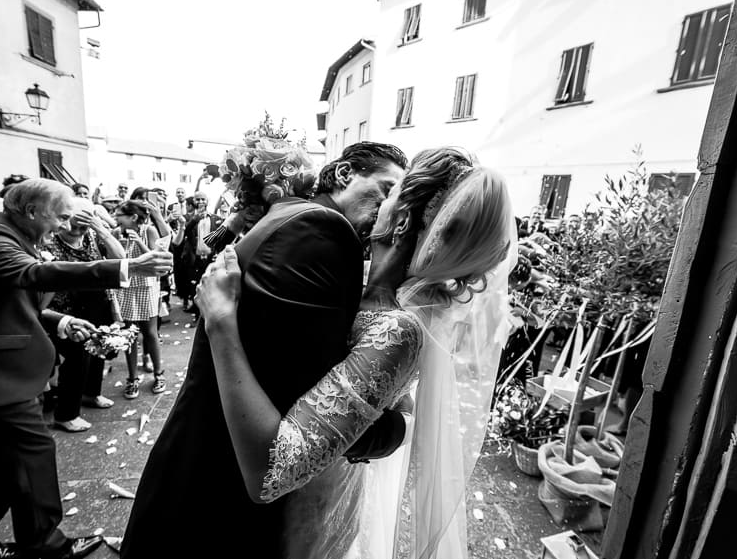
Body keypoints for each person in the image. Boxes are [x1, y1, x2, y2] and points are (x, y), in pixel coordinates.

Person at [196, 147, 516, 557]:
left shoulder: (398, 329)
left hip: (303, 507)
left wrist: (221, 325)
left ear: (400, 219)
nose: (381, 202)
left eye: (393, 190)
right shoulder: (356, 277)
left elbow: (270, 475)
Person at [121, 141, 409, 559]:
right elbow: (311, 407)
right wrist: (398, 431)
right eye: (385, 188)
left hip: (205, 449)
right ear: (345, 174)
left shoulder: (291, 217)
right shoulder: (324, 230)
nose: (388, 206)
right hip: (224, 480)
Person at [0, 179, 172, 559]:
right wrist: (128, 266)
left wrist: (58, 321)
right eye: (60, 217)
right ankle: (44, 546)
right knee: (31, 450)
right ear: (33, 211)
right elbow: (32, 275)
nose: (62, 226)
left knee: (9, 464)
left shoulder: (10, 237)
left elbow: (8, 297)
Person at [43, 198, 126, 432]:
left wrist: (100, 228)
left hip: (95, 302)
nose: (77, 230)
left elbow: (120, 259)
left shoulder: (91, 235)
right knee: (76, 359)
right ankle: (66, 414)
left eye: (83, 225)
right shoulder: (51, 241)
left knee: (98, 348)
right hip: (64, 308)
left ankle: (91, 393)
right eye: (73, 224)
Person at [112, 200, 166, 398]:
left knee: (150, 333)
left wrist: (138, 241)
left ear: (133, 217)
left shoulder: (149, 230)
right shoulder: (116, 233)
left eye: (120, 215)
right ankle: (132, 378)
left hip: (147, 286)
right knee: (129, 334)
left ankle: (159, 374)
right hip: (126, 286)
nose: (116, 218)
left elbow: (156, 257)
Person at [171, 191, 221, 314]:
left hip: (210, 258)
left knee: (211, 286)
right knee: (195, 287)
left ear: (207, 201)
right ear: (194, 201)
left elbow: (221, 237)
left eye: (202, 199)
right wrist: (194, 220)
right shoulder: (188, 218)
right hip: (194, 259)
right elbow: (184, 232)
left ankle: (208, 311)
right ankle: (197, 313)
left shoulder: (216, 219)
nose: (200, 202)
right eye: (197, 200)